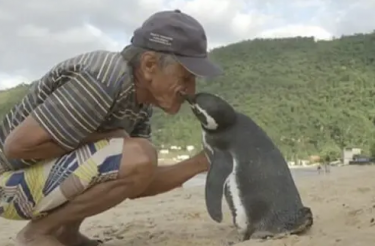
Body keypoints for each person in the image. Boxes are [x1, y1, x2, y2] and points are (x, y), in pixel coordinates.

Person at [0, 9, 222, 246]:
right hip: (8, 187)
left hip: (34, 184)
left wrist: (202, 162)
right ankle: (36, 234)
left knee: (138, 154)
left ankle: (65, 234)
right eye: (186, 77)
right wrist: (108, 137)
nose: (191, 90)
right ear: (149, 65)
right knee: (138, 152)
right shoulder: (104, 77)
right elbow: (16, 147)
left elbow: (137, 180)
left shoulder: (139, 103)